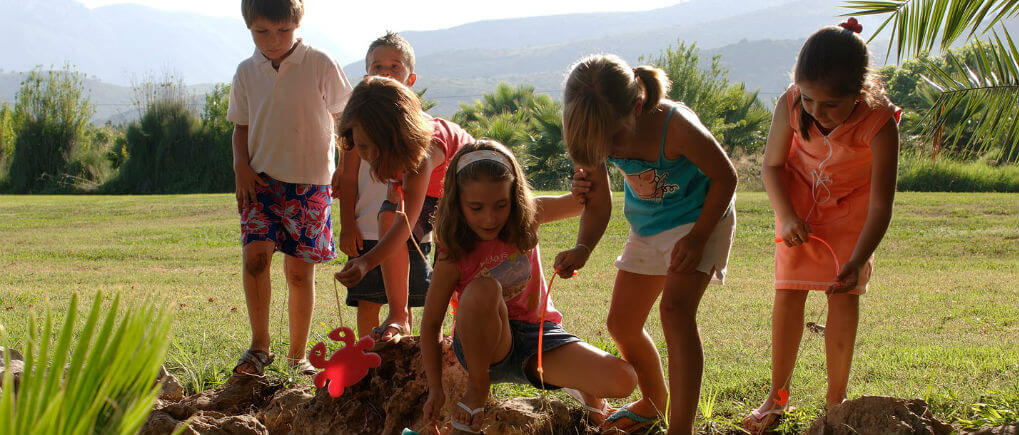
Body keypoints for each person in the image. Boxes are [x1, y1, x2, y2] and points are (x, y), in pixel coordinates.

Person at [556, 54, 737, 435]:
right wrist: (584, 247)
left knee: (675, 312)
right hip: (650, 225)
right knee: (622, 323)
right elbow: (599, 201)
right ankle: (654, 402)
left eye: (615, 140)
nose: (610, 151)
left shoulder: (675, 126)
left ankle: (681, 429)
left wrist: (699, 236)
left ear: (636, 107)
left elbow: (725, 176)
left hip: (702, 218)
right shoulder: (595, 132)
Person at [742, 17, 900, 434]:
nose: (816, 111)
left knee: (844, 295)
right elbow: (772, 165)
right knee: (788, 293)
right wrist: (787, 215)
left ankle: (836, 401)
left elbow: (883, 204)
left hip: (855, 210)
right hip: (798, 203)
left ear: (860, 91)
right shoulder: (791, 103)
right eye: (809, 99)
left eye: (830, 104)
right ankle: (777, 395)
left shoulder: (880, 121)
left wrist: (860, 258)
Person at [420, 140, 637, 434]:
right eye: (476, 207)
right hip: (484, 349)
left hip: (538, 337)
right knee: (484, 288)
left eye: (501, 205)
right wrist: (436, 389)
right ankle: (478, 389)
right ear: (457, 202)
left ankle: (585, 391)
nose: (489, 218)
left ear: (515, 196)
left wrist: (586, 171)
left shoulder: (529, 214)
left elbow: (582, 200)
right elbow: (431, 324)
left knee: (623, 379)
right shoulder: (454, 251)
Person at [227, 0, 352, 376]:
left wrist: (343, 168)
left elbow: (343, 117)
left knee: (299, 273)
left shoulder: (319, 63)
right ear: (249, 27)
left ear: (298, 22)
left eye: (283, 31)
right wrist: (241, 168)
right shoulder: (246, 72)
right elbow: (240, 126)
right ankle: (259, 347)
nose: (273, 40)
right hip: (259, 183)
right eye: (261, 32)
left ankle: (297, 357)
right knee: (255, 260)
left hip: (310, 183)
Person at [333, 76, 474, 342]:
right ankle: (399, 315)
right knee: (387, 216)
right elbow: (398, 212)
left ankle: (451, 330)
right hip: (433, 190)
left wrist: (367, 261)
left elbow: (407, 222)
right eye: (358, 143)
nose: (361, 152)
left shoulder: (424, 152)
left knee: (451, 255)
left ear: (392, 137)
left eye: (365, 145)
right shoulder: (387, 149)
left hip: (465, 190)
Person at [333, 32, 431, 338]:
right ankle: (367, 359)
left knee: (403, 302)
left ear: (410, 79)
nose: (385, 73)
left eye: (395, 67)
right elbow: (348, 180)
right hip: (366, 230)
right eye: (377, 67)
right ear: (367, 76)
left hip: (409, 229)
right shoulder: (358, 125)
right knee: (368, 299)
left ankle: (401, 356)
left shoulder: (419, 130)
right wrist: (347, 224)